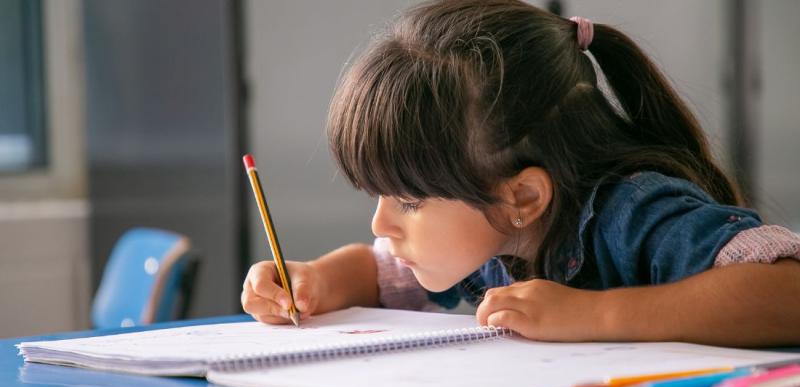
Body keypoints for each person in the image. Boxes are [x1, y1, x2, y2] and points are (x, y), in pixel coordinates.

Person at [242, 0, 800, 346]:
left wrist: (597, 315)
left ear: (523, 196)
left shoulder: (634, 212)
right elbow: (380, 272)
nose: (381, 224)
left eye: (410, 201)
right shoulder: (492, 236)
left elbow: (788, 292)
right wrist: (313, 281)